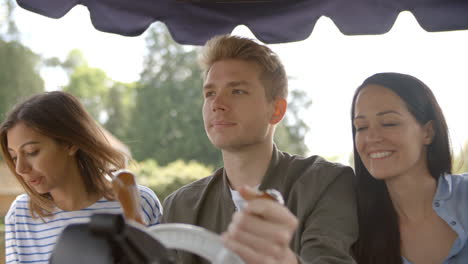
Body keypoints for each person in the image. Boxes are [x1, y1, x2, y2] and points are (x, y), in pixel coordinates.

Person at [162, 35, 357, 264]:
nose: (217, 104)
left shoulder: (325, 183)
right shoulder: (180, 205)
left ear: (276, 110)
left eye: (237, 91)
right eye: (210, 93)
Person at [1, 91, 162, 264]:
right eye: (15, 157)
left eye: (32, 152)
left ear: (71, 143)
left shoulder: (139, 201)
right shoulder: (20, 215)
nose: (20, 169)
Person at [350, 72, 468, 264]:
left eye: (389, 123)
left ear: (428, 132)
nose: (371, 137)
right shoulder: (353, 226)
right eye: (361, 127)